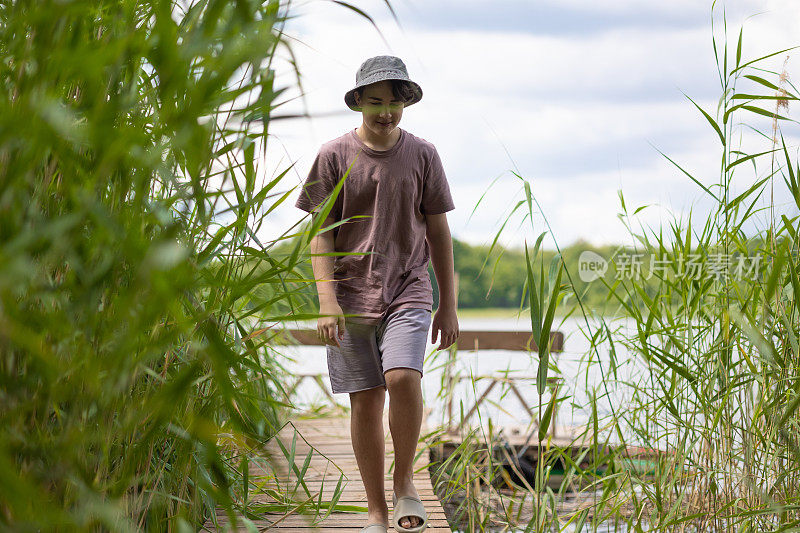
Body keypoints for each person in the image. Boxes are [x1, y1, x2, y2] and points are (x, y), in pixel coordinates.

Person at [294, 55, 459, 533]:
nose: (385, 112)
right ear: (359, 103)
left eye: (393, 102)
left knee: (404, 376)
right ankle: (376, 510)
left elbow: (439, 230)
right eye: (375, 103)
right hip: (349, 295)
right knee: (366, 401)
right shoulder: (333, 155)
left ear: (406, 102)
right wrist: (326, 300)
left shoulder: (423, 154)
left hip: (408, 284)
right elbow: (320, 234)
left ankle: (405, 479)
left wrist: (447, 303)